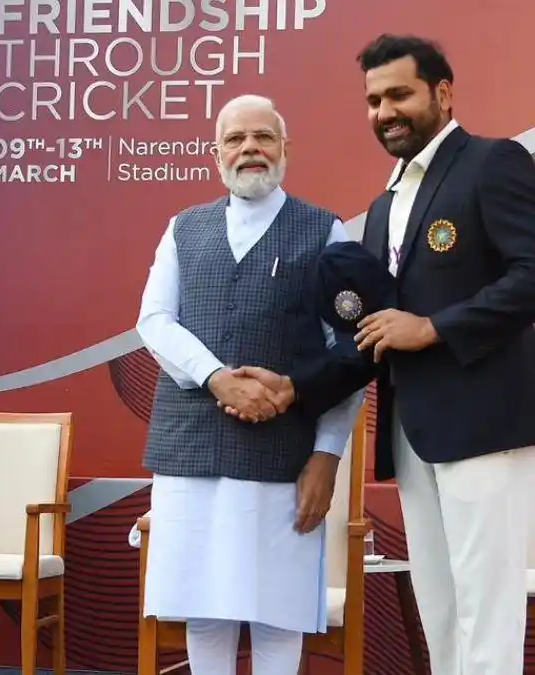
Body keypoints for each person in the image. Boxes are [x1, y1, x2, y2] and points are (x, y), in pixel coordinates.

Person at [237, 34, 535, 675]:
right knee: (441, 609)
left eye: (400, 94)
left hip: (486, 428)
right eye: (374, 101)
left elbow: (530, 274)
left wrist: (434, 327)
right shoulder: (383, 208)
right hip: (412, 434)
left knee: (486, 608)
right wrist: (295, 387)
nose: (385, 112)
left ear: (443, 93)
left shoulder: (492, 163)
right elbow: (372, 335)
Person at [136, 93, 364, 675]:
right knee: (203, 612)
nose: (250, 149)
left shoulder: (325, 231)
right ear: (216, 154)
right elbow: (154, 321)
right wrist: (216, 379)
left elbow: (349, 355)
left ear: (286, 148)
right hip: (190, 451)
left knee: (277, 614)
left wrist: (327, 457)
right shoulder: (183, 228)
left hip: (283, 457)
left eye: (263, 136)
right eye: (235, 139)